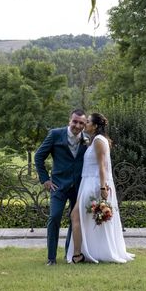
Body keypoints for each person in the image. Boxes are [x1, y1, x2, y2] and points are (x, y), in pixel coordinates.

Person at [67, 113, 134, 264]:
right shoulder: (94, 140)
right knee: (83, 217)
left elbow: (102, 166)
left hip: (94, 183)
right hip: (89, 182)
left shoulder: (98, 140)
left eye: (88, 122)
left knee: (76, 215)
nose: (85, 124)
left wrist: (103, 188)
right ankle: (85, 252)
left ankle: (79, 254)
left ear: (95, 126)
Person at [35, 109, 88, 266]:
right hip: (58, 185)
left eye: (81, 123)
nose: (77, 125)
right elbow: (39, 156)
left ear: (85, 125)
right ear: (69, 120)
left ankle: (69, 254)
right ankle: (51, 258)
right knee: (54, 217)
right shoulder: (55, 134)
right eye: (75, 121)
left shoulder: (87, 139)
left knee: (75, 220)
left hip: (79, 186)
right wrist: (45, 179)